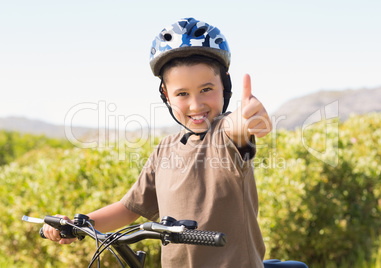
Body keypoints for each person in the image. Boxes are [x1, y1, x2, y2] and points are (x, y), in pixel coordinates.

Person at [43, 17, 272, 267]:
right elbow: (129, 208)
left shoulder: (223, 137)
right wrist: (76, 225)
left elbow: (235, 129)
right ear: (166, 94)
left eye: (207, 89)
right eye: (182, 93)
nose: (196, 105)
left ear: (225, 84)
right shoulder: (165, 149)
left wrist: (247, 118)